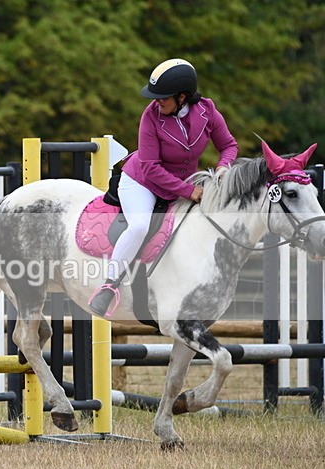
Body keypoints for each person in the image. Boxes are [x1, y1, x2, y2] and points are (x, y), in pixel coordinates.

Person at [88, 58, 238, 317]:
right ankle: (109, 285)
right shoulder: (150, 116)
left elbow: (229, 145)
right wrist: (189, 191)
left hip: (183, 183)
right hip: (142, 182)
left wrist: (224, 167)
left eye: (162, 98)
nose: (157, 102)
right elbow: (150, 167)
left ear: (182, 97)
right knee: (139, 226)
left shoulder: (207, 110)